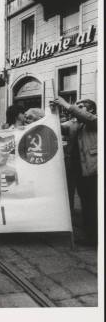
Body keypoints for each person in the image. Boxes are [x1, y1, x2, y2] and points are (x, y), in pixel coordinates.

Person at [51, 97, 97, 246]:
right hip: (77, 170)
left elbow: (88, 118)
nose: (77, 108)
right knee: (86, 204)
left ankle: (95, 237)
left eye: (81, 106)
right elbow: (55, 127)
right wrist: (53, 112)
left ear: (91, 109)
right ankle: (90, 235)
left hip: (93, 170)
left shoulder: (95, 121)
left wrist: (66, 105)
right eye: (76, 106)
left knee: (93, 204)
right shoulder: (73, 124)